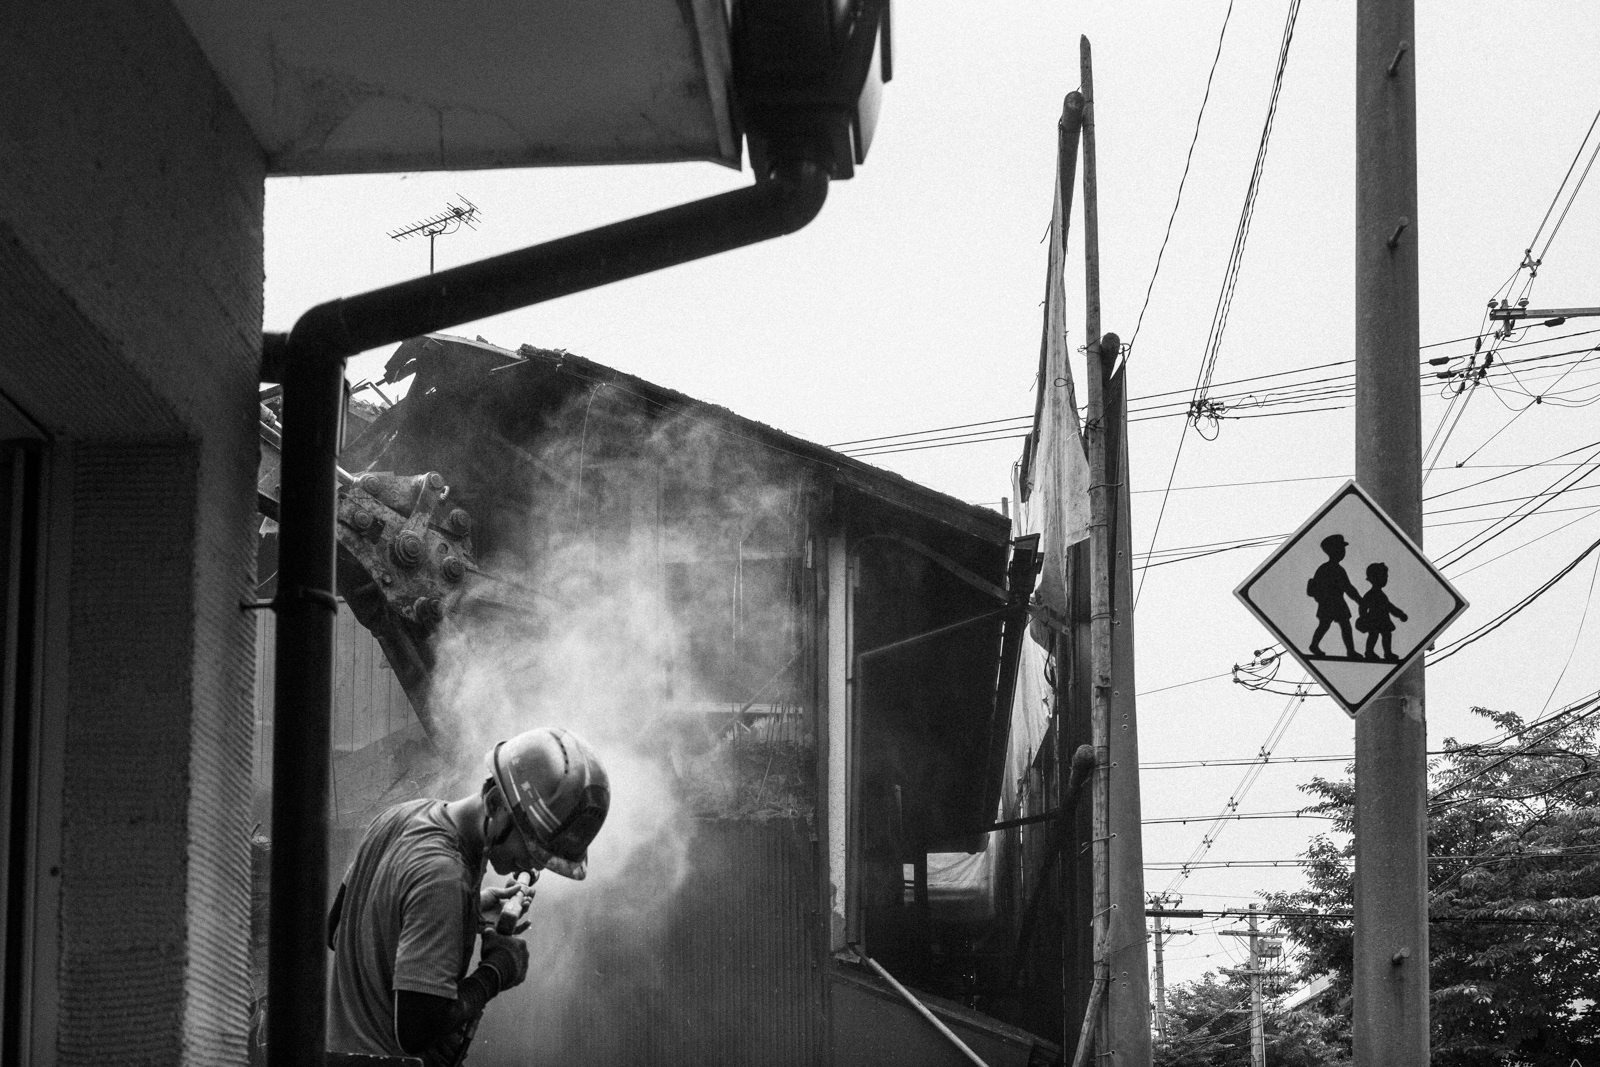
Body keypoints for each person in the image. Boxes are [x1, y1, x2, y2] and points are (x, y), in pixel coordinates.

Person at [327, 726, 610, 1067]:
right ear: (494, 803)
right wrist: (496, 972)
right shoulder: (445, 877)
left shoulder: (400, 816)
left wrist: (468, 910)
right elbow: (416, 1031)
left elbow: (338, 928)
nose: (536, 864)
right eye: (533, 846)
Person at [1305, 533, 1361, 659]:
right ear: (1332, 551)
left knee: (1340, 625)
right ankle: (1315, 645)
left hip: (1336, 603)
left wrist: (1359, 600)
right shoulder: (1329, 569)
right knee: (1328, 625)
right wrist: (1360, 600)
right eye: (1340, 549)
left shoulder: (1335, 569)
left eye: (1343, 549)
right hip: (1330, 603)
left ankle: (1350, 651)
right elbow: (1348, 588)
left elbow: (1348, 588)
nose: (1343, 552)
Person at [1356, 561, 1408, 662]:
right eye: (1384, 576)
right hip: (1374, 620)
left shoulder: (1380, 595)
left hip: (1383, 619)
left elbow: (1389, 607)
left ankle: (1387, 653)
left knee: (1387, 635)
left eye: (1386, 576)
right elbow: (1363, 606)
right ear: (1374, 578)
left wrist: (1400, 614)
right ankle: (1369, 652)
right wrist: (1364, 617)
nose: (1386, 579)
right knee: (1374, 635)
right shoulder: (1371, 594)